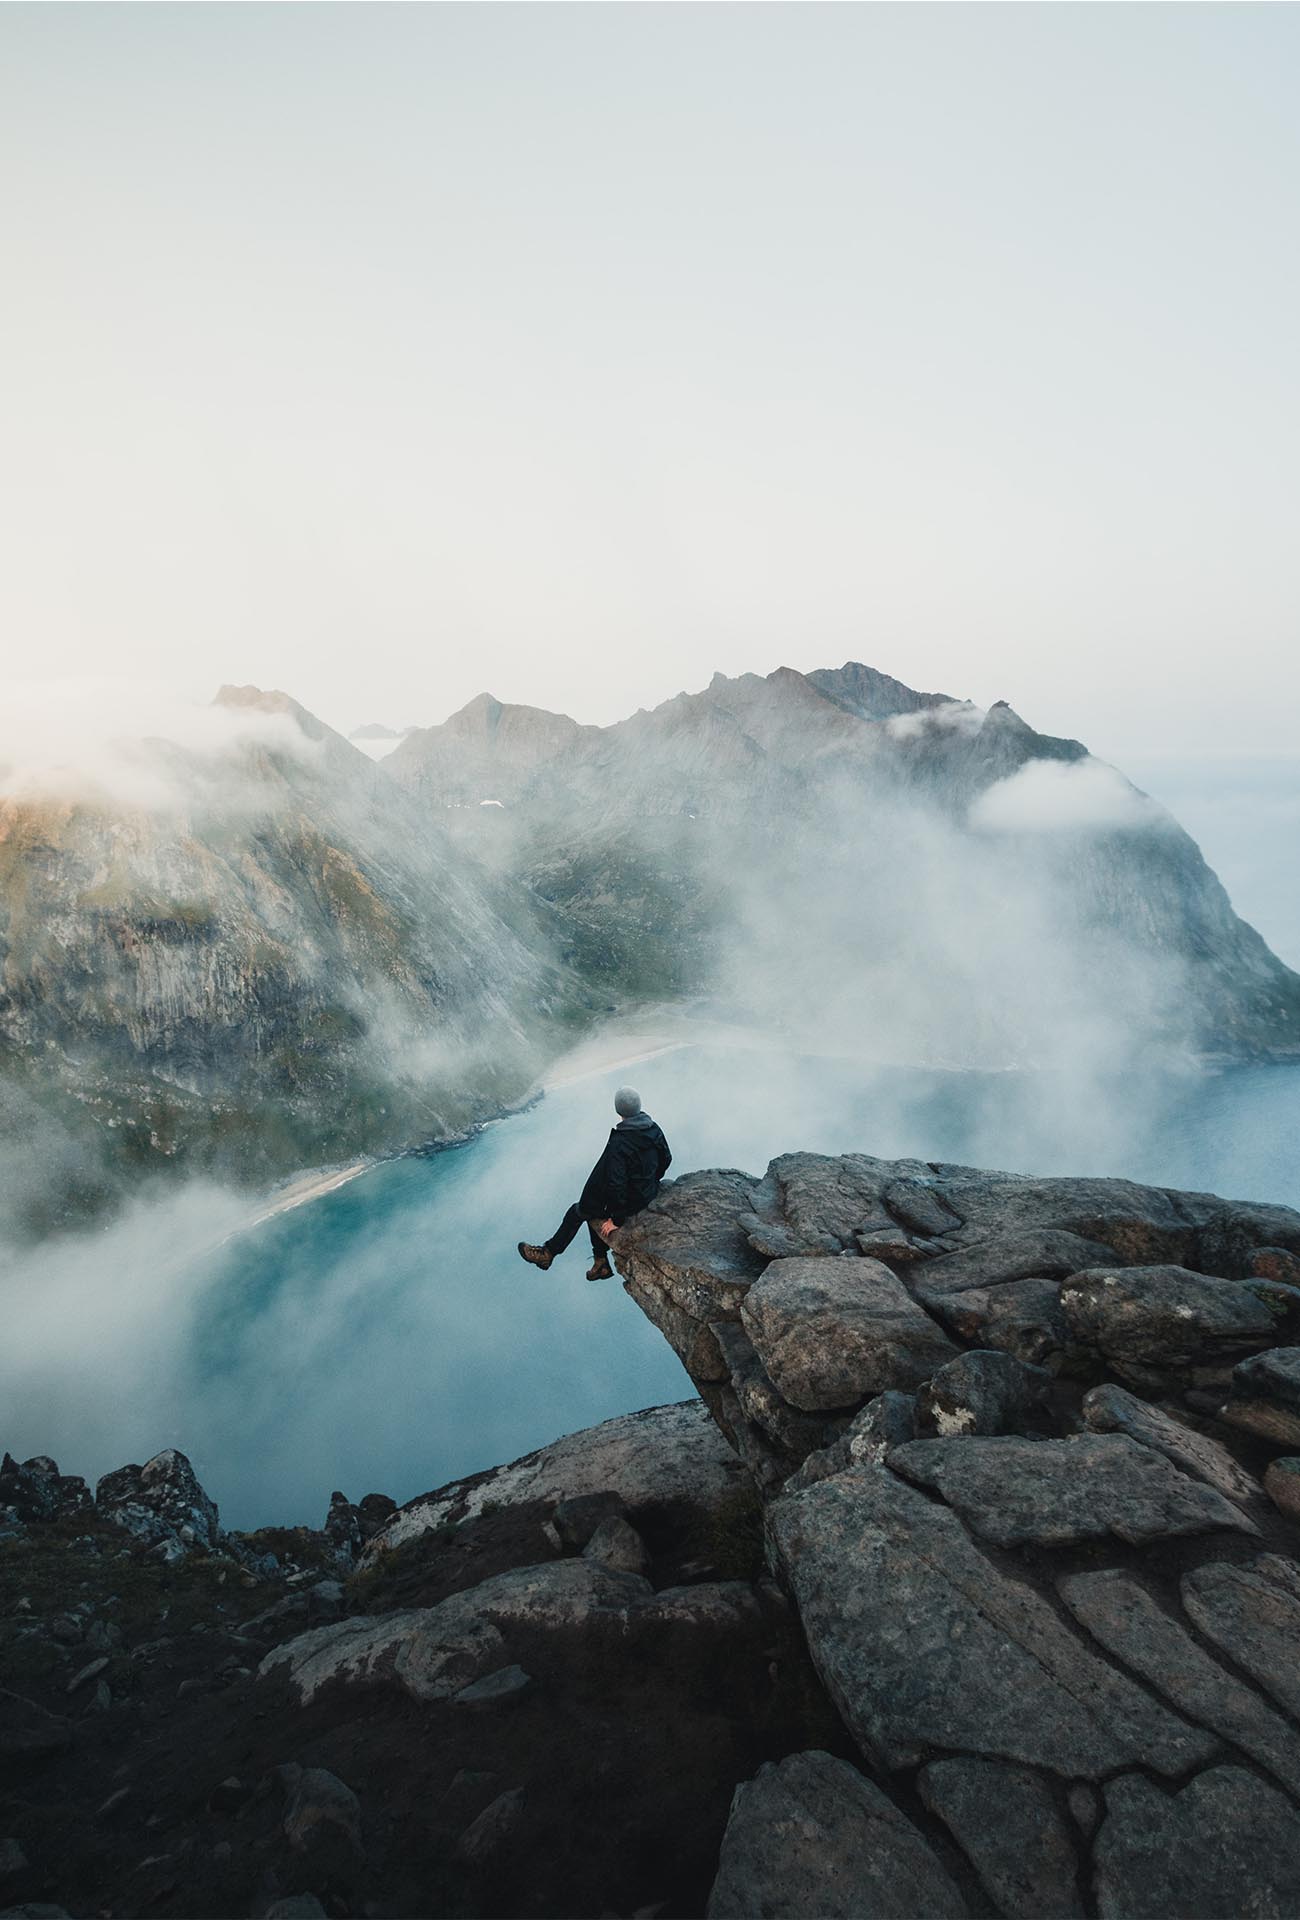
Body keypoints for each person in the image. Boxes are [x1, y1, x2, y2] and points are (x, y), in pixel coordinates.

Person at [518, 1086, 672, 1281]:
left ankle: (548, 1253)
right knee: (591, 1209)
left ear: (619, 1110)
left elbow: (617, 1184)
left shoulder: (620, 1142)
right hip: (647, 1192)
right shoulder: (653, 1129)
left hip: (630, 1200)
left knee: (578, 1212)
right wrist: (649, 1182)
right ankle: (600, 1263)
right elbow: (666, 1158)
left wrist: (617, 1220)